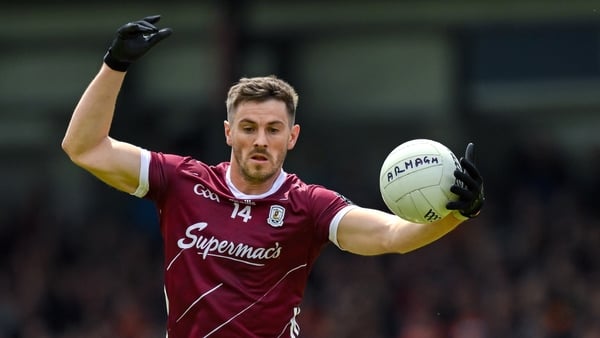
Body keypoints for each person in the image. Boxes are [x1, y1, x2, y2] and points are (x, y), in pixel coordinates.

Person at [62, 15, 484, 338]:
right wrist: (114, 66)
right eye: (248, 128)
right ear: (229, 132)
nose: (260, 140)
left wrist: (456, 215)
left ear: (292, 137)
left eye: (273, 129)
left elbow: (390, 235)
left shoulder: (309, 205)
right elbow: (83, 147)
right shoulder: (182, 181)